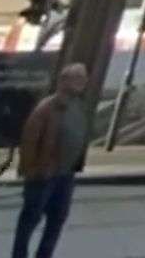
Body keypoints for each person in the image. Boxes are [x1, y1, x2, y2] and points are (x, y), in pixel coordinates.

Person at [12, 63, 93, 258]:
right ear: (63, 81)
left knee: (57, 219)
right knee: (30, 219)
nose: (83, 82)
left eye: (84, 78)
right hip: (44, 174)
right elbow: (29, 141)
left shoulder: (77, 106)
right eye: (77, 78)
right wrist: (33, 171)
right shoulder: (47, 108)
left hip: (66, 174)